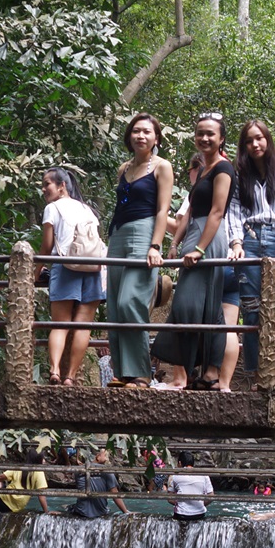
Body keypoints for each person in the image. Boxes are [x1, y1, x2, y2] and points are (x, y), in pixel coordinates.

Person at [152, 114, 238, 391]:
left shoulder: (223, 168)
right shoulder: (202, 169)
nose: (204, 138)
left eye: (210, 134)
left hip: (209, 238)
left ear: (221, 138)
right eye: (200, 133)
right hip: (194, 235)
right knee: (207, 308)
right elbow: (189, 211)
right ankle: (208, 374)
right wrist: (176, 242)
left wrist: (200, 248)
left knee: (186, 305)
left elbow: (217, 211)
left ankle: (183, 376)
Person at [231, 120, 275, 387]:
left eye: (259, 138)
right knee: (251, 310)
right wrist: (236, 243)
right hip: (248, 239)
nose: (255, 144)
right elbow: (235, 211)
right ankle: (255, 375)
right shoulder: (240, 176)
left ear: (268, 140)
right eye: (249, 141)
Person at [106, 114, 176, 386]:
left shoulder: (162, 167)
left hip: (144, 232)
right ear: (129, 136)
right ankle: (123, 373)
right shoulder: (123, 168)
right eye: (136, 131)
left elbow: (162, 209)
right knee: (114, 305)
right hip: (118, 235)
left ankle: (141, 373)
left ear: (156, 138)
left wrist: (156, 245)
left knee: (130, 301)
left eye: (147, 132)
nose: (141, 136)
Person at [37, 168, 105, 386]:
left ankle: (55, 370)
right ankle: (71, 376)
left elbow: (47, 246)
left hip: (65, 266)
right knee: (83, 325)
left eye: (47, 183)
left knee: (60, 324)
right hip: (92, 267)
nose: (44, 188)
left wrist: (35, 272)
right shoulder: (87, 209)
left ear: (61, 186)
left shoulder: (52, 208)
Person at [0, 450, 50, 514]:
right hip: (16, 506)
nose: (44, 461)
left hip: (4, 499)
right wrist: (47, 512)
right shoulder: (39, 472)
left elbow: (0, 477)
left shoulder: (20, 468)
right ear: (38, 458)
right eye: (43, 458)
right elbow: (41, 495)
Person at [68, 448, 132, 520]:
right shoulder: (107, 472)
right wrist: (125, 511)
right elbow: (115, 494)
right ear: (97, 456)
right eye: (105, 455)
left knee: (68, 507)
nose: (107, 458)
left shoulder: (79, 471)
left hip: (81, 512)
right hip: (100, 514)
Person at [165, 451, 214, 521]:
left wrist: (181, 502)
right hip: (199, 514)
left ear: (179, 463)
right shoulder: (204, 475)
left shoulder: (173, 475)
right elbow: (211, 496)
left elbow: (170, 499)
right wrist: (199, 503)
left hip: (181, 514)